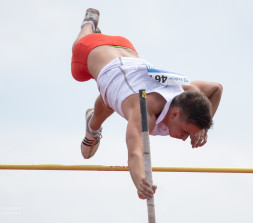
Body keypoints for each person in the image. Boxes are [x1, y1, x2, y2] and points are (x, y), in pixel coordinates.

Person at [71, 8, 223, 200]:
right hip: (90, 49)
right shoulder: (144, 112)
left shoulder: (187, 91)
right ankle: (89, 24)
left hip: (126, 50)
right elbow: (135, 153)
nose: (185, 138)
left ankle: (92, 123)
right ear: (174, 114)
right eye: (186, 131)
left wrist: (203, 128)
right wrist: (140, 182)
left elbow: (216, 88)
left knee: (113, 99)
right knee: (79, 65)